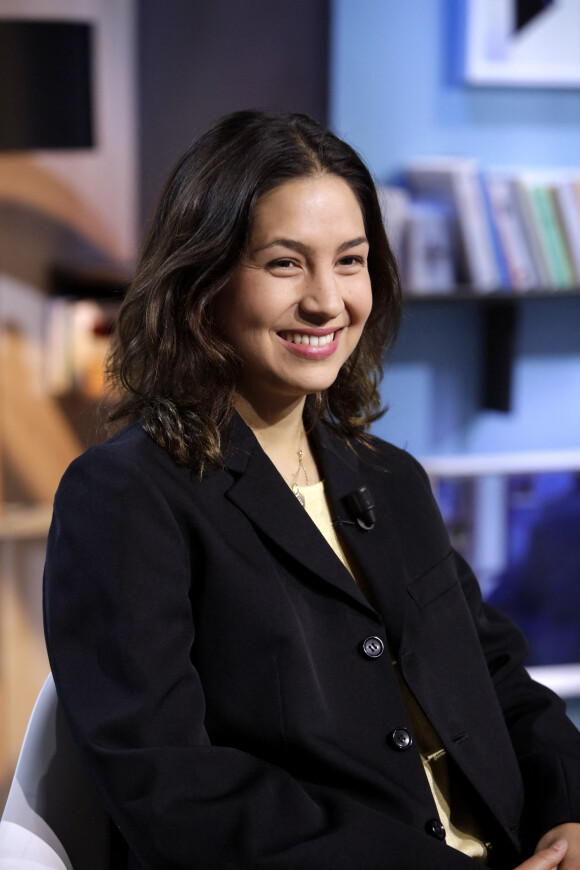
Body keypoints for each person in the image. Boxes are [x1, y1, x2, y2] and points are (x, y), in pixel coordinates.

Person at [43, 110, 580, 870]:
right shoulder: (126, 496)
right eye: (286, 264)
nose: (329, 302)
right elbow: (170, 786)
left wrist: (571, 812)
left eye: (351, 261)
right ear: (203, 281)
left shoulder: (391, 479)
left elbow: (496, 681)